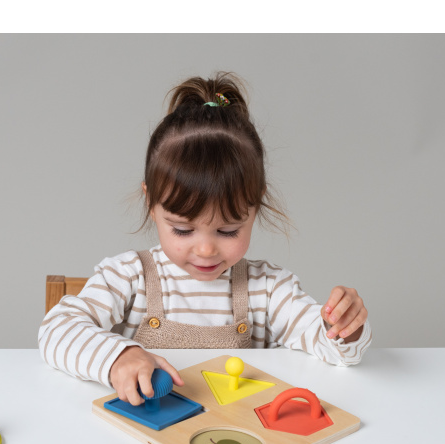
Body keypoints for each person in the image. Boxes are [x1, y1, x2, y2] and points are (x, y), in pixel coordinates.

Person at [39, 72, 371, 405]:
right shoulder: (128, 277)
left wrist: (344, 325)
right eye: (183, 230)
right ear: (150, 203)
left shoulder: (268, 290)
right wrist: (118, 357)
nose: (206, 249)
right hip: (146, 432)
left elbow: (337, 351)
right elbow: (56, 329)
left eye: (228, 231)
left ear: (255, 206)